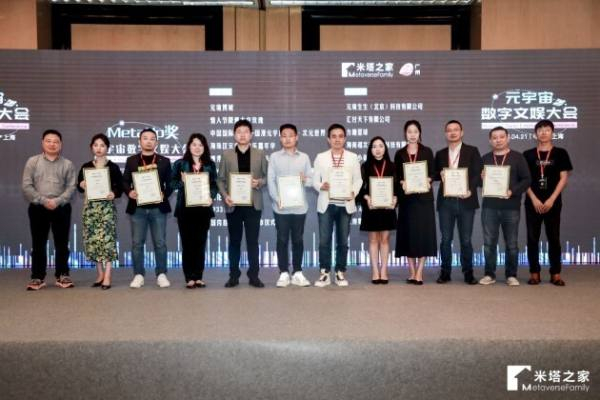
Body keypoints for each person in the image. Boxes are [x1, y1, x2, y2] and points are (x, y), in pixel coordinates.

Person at [22, 129, 77, 290]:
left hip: (61, 207)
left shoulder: (67, 164)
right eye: (48, 141)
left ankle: (62, 275)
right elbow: (26, 186)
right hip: (38, 207)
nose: (52, 144)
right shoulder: (33, 162)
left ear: (61, 144)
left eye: (56, 141)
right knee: (38, 243)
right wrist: (43, 200)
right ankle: (37, 277)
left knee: (62, 244)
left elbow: (71, 187)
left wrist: (57, 201)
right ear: (42, 143)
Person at [217, 119, 268, 288]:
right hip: (233, 205)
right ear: (234, 135)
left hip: (253, 204)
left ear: (251, 135)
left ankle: (254, 275)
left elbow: (268, 176)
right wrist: (225, 195)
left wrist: (259, 182)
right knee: (234, 241)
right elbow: (220, 179)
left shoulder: (260, 153)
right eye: (239, 132)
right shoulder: (227, 154)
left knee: (253, 241)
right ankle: (234, 275)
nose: (242, 135)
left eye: (246, 132)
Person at [479, 126, 531, 286]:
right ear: (490, 141)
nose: (498, 140)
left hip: (511, 207)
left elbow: (527, 179)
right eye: (494, 137)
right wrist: (481, 178)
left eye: (501, 137)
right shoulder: (485, 158)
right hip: (490, 207)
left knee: (512, 244)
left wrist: (512, 191)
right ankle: (489, 274)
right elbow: (478, 183)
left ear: (508, 138)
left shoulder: (518, 157)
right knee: (489, 243)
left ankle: (511, 275)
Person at [523, 120, 573, 286]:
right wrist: (534, 199)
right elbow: (524, 180)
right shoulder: (528, 154)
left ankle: (555, 273)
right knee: (532, 238)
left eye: (547, 130)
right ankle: (534, 273)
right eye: (540, 130)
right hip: (533, 202)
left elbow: (563, 178)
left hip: (553, 202)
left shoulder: (561, 153)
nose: (543, 133)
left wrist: (551, 199)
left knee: (554, 238)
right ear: (535, 134)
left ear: (552, 133)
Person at [313, 123, 362, 287]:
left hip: (345, 204)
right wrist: (321, 186)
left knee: (343, 241)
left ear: (345, 139)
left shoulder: (353, 157)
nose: (337, 139)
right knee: (324, 241)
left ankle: (340, 272)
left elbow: (358, 180)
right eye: (333, 136)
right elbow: (315, 179)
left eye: (340, 136)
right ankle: (325, 272)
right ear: (328, 139)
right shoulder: (321, 157)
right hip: (326, 204)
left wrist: (353, 192)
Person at [122, 128, 173, 289]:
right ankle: (138, 274)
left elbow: (171, 183)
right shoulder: (132, 160)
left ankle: (161, 274)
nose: (149, 141)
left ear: (156, 142)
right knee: (137, 243)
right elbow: (124, 181)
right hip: (138, 208)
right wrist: (129, 192)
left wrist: (164, 193)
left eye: (152, 139)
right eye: (145, 138)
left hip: (158, 208)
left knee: (160, 242)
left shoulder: (164, 161)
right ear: (139, 141)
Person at [434, 120, 483, 285]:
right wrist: (439, 174)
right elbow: (434, 174)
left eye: (456, 129)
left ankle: (468, 272)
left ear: (462, 132)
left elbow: (477, 174)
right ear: (445, 134)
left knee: (466, 240)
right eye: (449, 130)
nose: (453, 132)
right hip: (446, 202)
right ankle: (445, 272)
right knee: (445, 239)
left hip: (466, 201)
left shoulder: (472, 151)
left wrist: (470, 189)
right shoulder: (440, 153)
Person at [267, 123, 313, 287]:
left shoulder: (304, 157)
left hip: (300, 207)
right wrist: (276, 199)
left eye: (290, 135)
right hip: (281, 207)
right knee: (282, 239)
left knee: (298, 240)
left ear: (296, 137)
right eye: (284, 136)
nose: (287, 139)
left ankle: (298, 272)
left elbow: (311, 180)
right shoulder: (274, 157)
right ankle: (284, 272)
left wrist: (305, 179)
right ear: (280, 138)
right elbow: (271, 180)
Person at [77, 133, 123, 290]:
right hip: (90, 208)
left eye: (102, 145)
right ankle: (100, 274)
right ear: (91, 147)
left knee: (108, 241)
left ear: (107, 148)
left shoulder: (113, 167)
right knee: (93, 241)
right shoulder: (86, 166)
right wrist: (81, 184)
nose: (99, 148)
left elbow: (120, 187)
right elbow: (78, 186)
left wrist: (114, 193)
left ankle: (108, 274)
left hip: (106, 208)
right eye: (96, 145)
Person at [171, 133, 218, 288]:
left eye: (200, 145)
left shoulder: (210, 165)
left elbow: (214, 185)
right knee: (187, 244)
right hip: (185, 210)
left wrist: (211, 196)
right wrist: (182, 182)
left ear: (205, 147)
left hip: (203, 210)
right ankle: (189, 277)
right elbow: (171, 184)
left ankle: (198, 276)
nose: (197, 148)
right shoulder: (180, 164)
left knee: (200, 243)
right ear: (189, 146)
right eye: (194, 144)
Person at [395, 120, 437, 285]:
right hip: (407, 200)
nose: (412, 135)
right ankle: (412, 271)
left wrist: (429, 179)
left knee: (424, 234)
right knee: (408, 235)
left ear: (420, 133)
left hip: (423, 200)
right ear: (405, 134)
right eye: (409, 131)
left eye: (415, 131)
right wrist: (402, 182)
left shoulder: (427, 151)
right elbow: (397, 176)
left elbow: (433, 172)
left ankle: (420, 271)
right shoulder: (400, 154)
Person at [358, 136, 397, 284]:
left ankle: (384, 270)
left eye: (380, 146)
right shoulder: (365, 166)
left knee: (385, 240)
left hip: (387, 208)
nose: (378, 149)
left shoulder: (392, 166)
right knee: (373, 240)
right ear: (370, 149)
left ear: (385, 148)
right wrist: (366, 197)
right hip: (371, 208)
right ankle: (375, 271)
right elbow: (360, 189)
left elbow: (397, 188)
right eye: (374, 146)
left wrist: (395, 198)